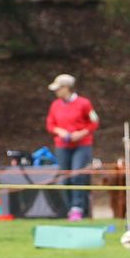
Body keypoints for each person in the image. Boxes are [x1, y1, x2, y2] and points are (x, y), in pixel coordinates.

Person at [45, 73, 99, 221]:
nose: (56, 92)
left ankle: (78, 208)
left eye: (58, 88)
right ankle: (69, 208)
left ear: (66, 88)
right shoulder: (55, 105)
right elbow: (50, 124)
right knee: (65, 178)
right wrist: (60, 131)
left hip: (82, 145)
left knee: (77, 175)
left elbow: (94, 122)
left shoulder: (84, 103)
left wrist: (81, 133)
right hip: (62, 146)